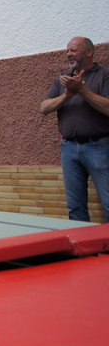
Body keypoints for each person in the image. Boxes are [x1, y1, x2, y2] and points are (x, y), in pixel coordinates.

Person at [40, 37, 109, 222]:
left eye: (74, 50)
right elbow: (44, 108)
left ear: (89, 52)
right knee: (75, 206)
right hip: (69, 148)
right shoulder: (62, 79)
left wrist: (81, 90)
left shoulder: (104, 75)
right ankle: (81, 240)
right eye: (67, 51)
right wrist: (67, 95)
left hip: (99, 147)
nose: (69, 54)